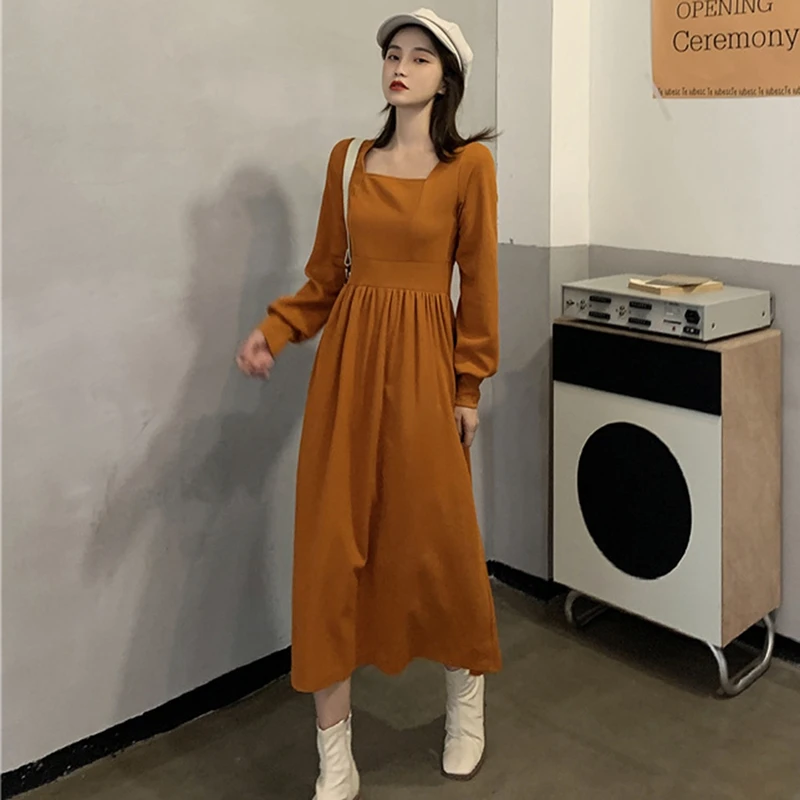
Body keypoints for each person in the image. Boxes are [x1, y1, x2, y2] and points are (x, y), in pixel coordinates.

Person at [236, 8, 501, 798]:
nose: (400, 67)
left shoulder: (470, 168)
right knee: (331, 552)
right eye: (393, 53)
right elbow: (326, 276)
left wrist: (468, 386)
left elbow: (479, 284)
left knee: (438, 542)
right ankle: (336, 756)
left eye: (420, 58)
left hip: (425, 372)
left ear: (445, 79)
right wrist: (277, 330)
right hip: (348, 375)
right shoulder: (348, 160)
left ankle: (466, 702)